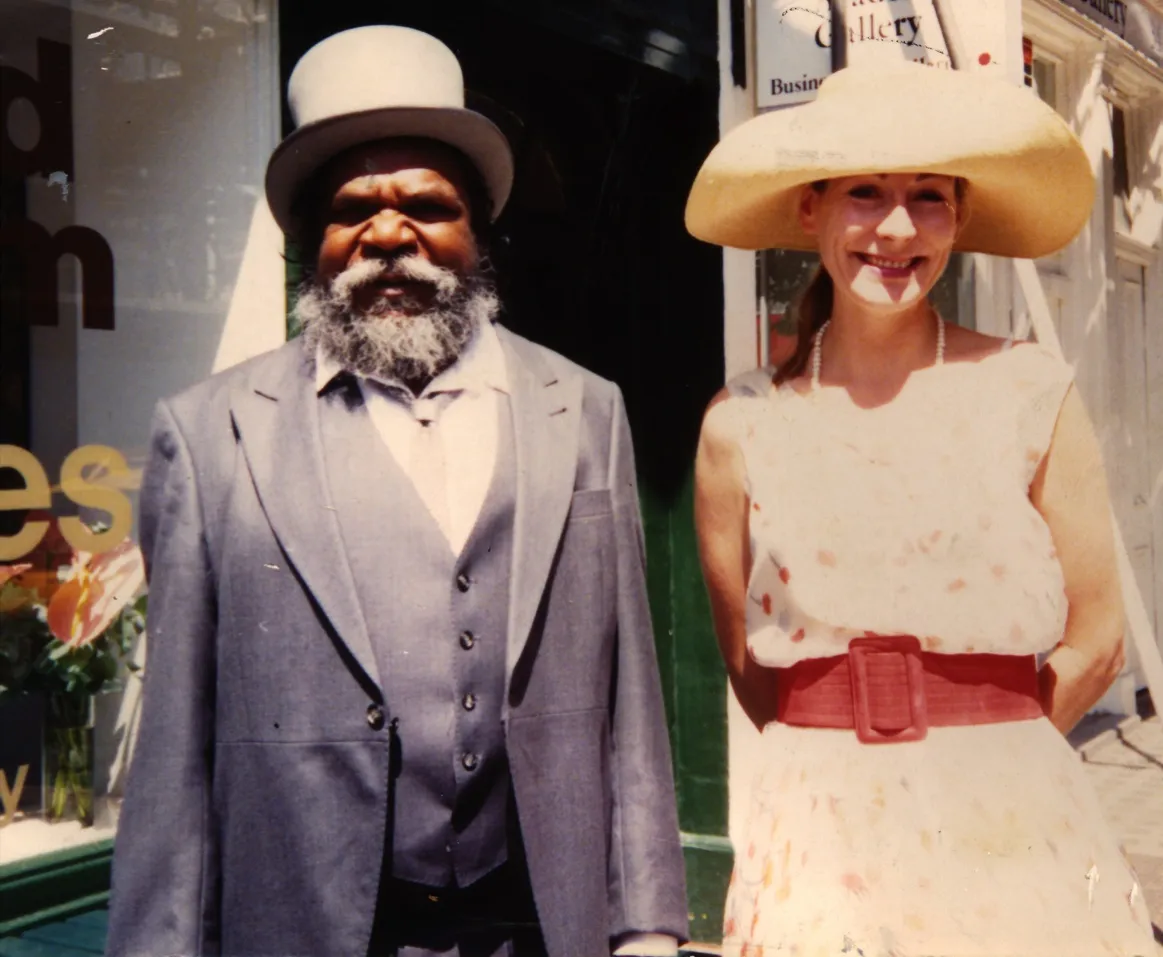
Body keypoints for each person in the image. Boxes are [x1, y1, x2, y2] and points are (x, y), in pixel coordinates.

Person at [104, 25, 687, 957]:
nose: (387, 235)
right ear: (314, 240)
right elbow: (173, 747)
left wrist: (649, 923)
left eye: (424, 203)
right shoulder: (210, 430)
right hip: (303, 921)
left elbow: (628, 705)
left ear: (478, 230)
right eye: (351, 210)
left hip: (532, 921)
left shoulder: (581, 407)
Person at [686, 62, 1158, 956]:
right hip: (821, 833)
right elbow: (752, 667)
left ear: (961, 217)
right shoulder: (741, 424)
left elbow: (1097, 643)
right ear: (808, 208)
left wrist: (979, 755)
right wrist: (842, 762)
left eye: (928, 198)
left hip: (1006, 825)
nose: (895, 229)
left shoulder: (1026, 389)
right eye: (864, 192)